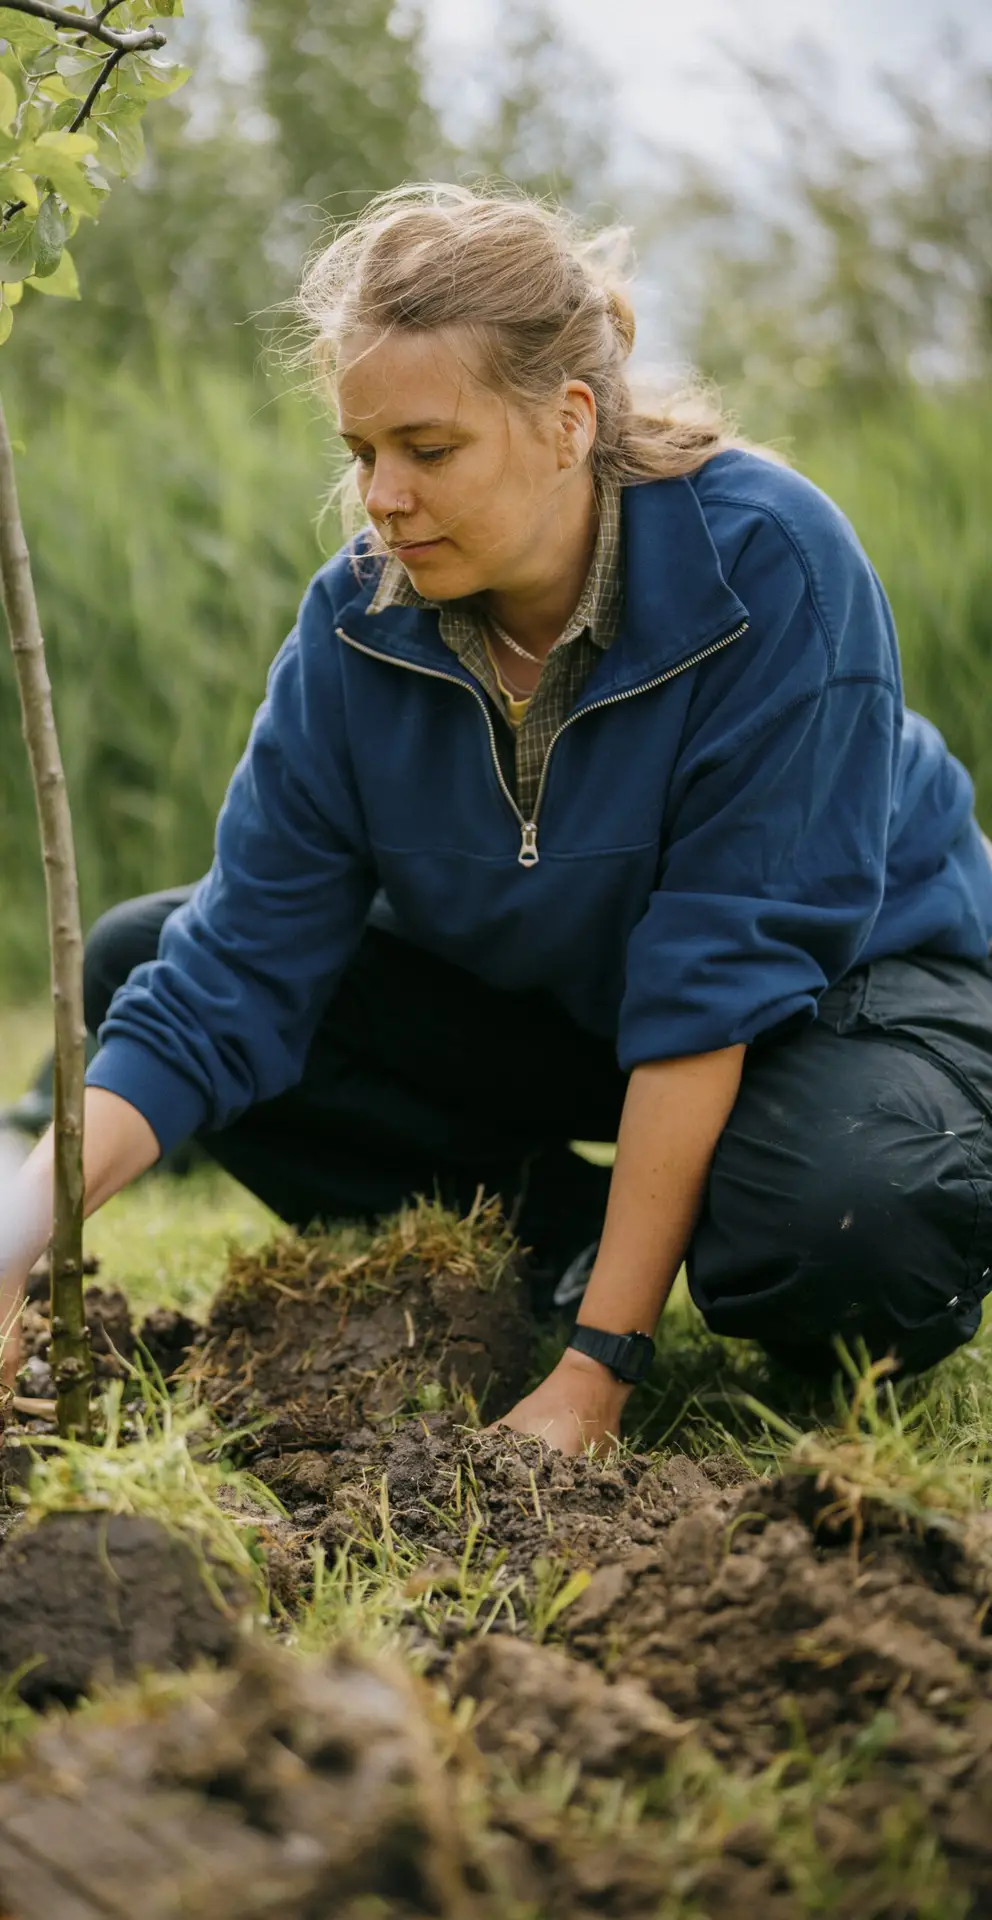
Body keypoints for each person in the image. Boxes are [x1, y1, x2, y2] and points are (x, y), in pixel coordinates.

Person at [4, 183, 992, 1454]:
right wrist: (16, 1248)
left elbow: (718, 975)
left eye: (428, 449)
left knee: (845, 1226)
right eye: (362, 453)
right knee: (140, 958)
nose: (382, 497)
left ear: (567, 421)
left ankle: (695, 1253)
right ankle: (574, 1246)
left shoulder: (770, 566)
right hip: (583, 1004)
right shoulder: (357, 625)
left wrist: (596, 1377)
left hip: (849, 991)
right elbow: (225, 979)